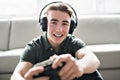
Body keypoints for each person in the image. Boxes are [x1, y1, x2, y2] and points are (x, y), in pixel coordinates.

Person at [11, 2, 102, 80]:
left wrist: (79, 66)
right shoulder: (34, 46)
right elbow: (16, 75)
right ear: (45, 24)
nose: (59, 30)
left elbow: (93, 60)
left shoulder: (73, 42)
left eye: (65, 23)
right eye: (54, 22)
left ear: (71, 27)